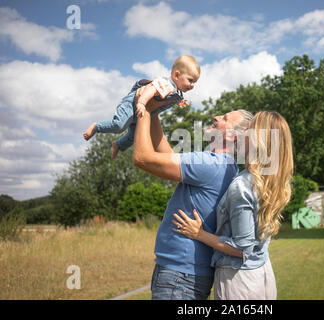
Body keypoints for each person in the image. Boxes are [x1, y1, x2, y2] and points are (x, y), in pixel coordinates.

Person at [132, 96, 253, 300]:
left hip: (179, 279)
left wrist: (142, 110)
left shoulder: (211, 164)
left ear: (233, 136)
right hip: (184, 276)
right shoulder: (226, 166)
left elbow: (142, 158)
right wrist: (153, 114)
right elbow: (167, 156)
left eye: (224, 118)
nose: (215, 117)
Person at [172, 111, 294, 300]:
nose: (243, 132)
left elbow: (241, 248)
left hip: (239, 282)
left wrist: (198, 234)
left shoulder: (242, 185)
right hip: (262, 275)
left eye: (249, 129)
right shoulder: (271, 181)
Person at [83, 55, 198, 159]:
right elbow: (150, 90)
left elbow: (166, 98)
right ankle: (96, 127)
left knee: (134, 136)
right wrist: (141, 103)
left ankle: (118, 145)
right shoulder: (166, 84)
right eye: (190, 80)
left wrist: (178, 102)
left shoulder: (175, 91)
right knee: (119, 126)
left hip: (140, 112)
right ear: (177, 75)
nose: (192, 85)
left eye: (195, 82)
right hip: (133, 104)